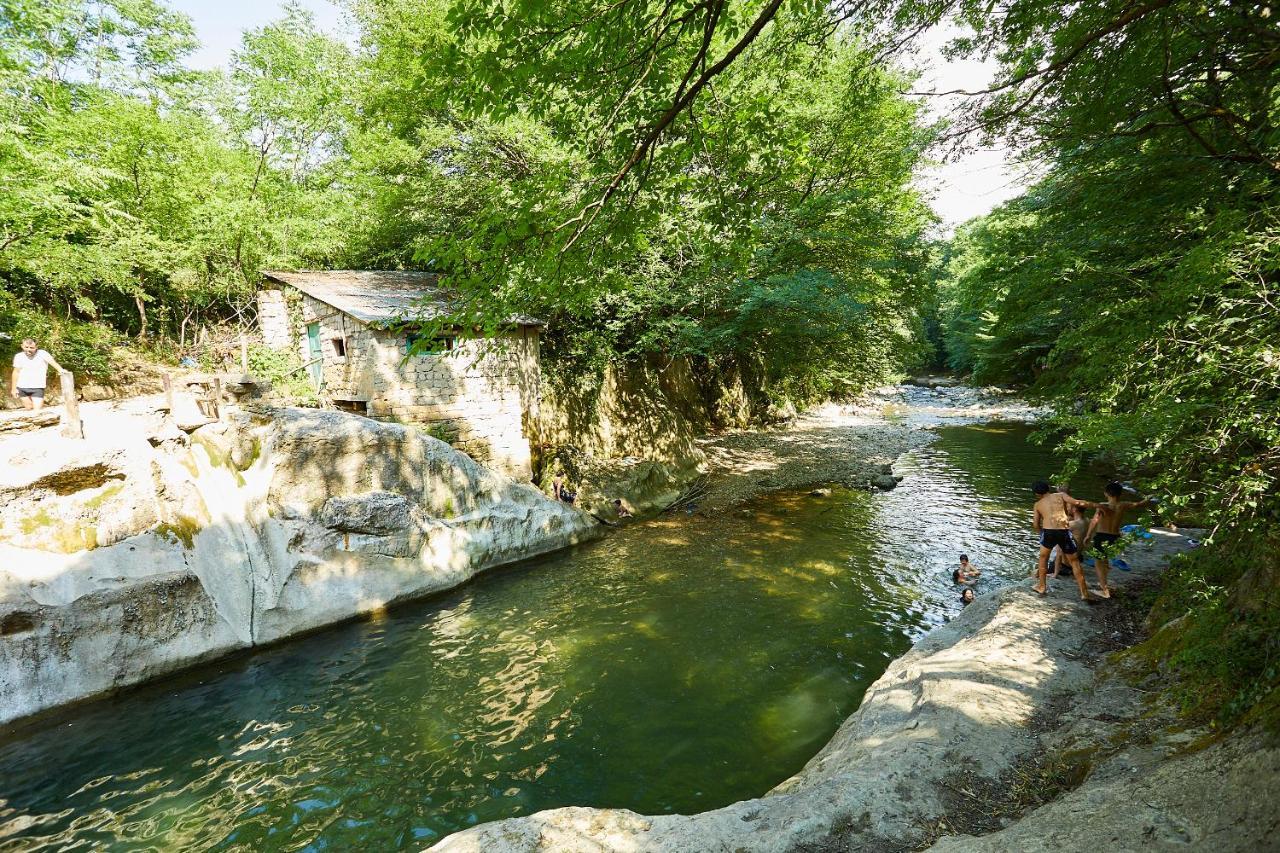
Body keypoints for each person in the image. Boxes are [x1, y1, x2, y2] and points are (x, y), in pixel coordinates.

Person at [1085, 481, 1157, 598]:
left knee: (1099, 562)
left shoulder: (1102, 506)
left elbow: (1094, 521)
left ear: (1106, 493)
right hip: (1115, 537)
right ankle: (1104, 583)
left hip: (1102, 535)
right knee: (1106, 560)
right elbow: (1139, 504)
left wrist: (1088, 535)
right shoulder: (1123, 505)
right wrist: (1148, 498)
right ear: (1120, 494)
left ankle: (1104, 590)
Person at [1032, 480, 1098, 601]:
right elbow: (1077, 502)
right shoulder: (1061, 495)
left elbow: (1035, 524)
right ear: (1048, 488)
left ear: (1036, 493)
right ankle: (1084, 593)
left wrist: (1041, 533)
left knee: (1043, 558)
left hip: (1048, 532)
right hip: (1063, 531)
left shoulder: (1038, 504)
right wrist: (1096, 505)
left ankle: (1041, 586)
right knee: (1074, 561)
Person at [10, 338, 64, 411]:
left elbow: (53, 362)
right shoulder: (18, 356)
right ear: (22, 346)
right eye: (26, 347)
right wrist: (14, 389)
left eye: (31, 348)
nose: (29, 349)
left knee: (37, 411)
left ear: (36, 347)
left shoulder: (42, 354)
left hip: (38, 387)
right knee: (29, 408)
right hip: (22, 387)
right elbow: (16, 372)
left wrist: (61, 370)